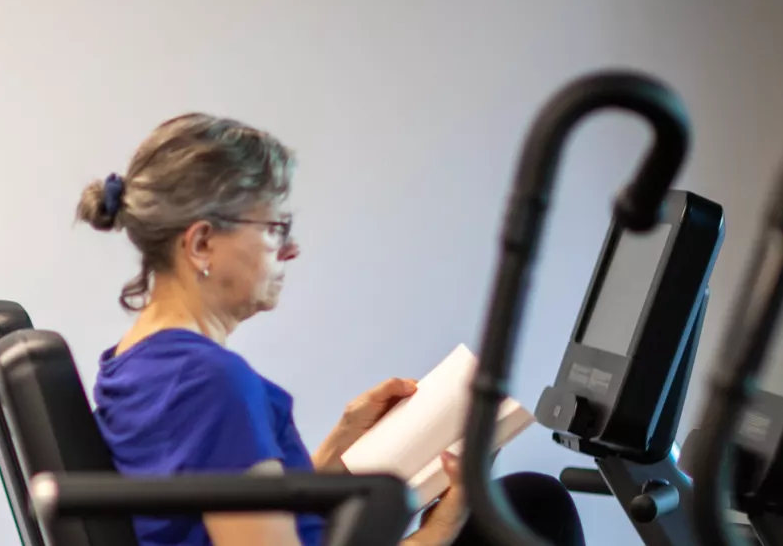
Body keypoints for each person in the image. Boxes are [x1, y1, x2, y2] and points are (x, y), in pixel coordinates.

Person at [76, 113, 583, 546]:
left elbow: (229, 508)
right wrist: (437, 531)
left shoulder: (137, 361)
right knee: (539, 508)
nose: (290, 250)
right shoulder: (208, 383)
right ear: (202, 244)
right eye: (275, 230)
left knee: (528, 503)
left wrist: (339, 450)